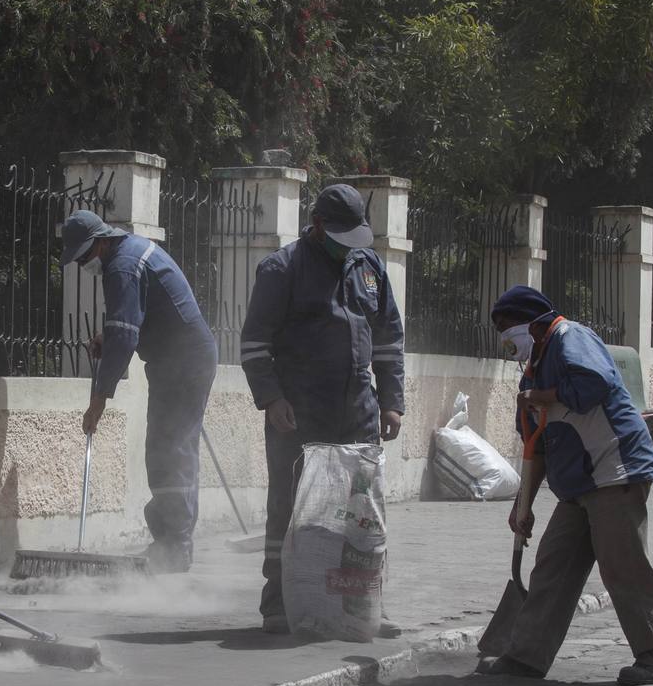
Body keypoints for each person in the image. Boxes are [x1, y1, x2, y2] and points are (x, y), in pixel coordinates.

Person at [480, 285, 653, 686]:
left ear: (532, 323)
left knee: (623, 567)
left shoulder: (570, 337)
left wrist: (543, 396)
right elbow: (535, 448)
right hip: (579, 483)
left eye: (507, 326)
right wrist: (524, 505)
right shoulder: (531, 370)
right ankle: (526, 656)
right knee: (553, 566)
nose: (504, 337)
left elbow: (593, 385)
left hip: (616, 470)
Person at [239, 183, 405, 633]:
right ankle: (279, 602)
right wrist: (272, 398)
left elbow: (389, 339)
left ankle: (363, 601)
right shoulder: (281, 269)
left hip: (358, 409)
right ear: (317, 226)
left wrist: (392, 402)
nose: (349, 249)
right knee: (289, 506)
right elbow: (255, 344)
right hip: (299, 410)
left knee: (362, 508)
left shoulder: (368, 266)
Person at [61, 210, 218, 572]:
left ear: (100, 242)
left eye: (84, 257)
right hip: (176, 361)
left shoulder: (122, 266)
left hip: (185, 362)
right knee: (164, 449)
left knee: (172, 449)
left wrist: (99, 399)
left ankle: (175, 547)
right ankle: (168, 542)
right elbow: (129, 323)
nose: (84, 264)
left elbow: (126, 335)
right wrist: (109, 336)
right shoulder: (128, 255)